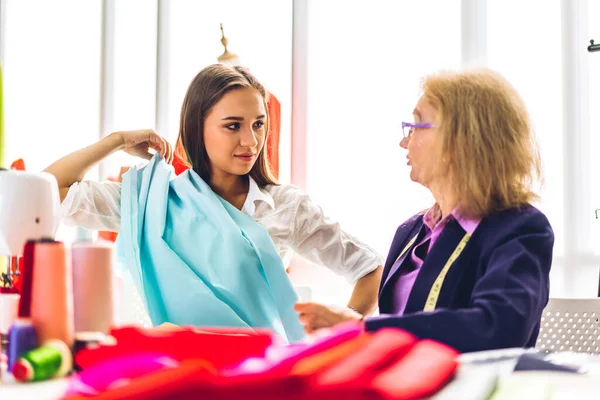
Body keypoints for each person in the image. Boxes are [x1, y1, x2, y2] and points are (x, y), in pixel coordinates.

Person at [44, 64, 382, 342]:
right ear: (197, 128)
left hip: (262, 374)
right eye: (233, 126)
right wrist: (116, 141)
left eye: (259, 124)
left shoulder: (284, 206)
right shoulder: (153, 203)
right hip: (181, 374)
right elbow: (49, 190)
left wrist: (347, 321)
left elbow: (371, 269)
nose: (251, 141)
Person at [294, 68, 554, 353]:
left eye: (417, 126)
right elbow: (402, 330)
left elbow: (497, 327)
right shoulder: (411, 231)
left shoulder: (520, 228)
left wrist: (361, 329)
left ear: (462, 139)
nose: (404, 142)